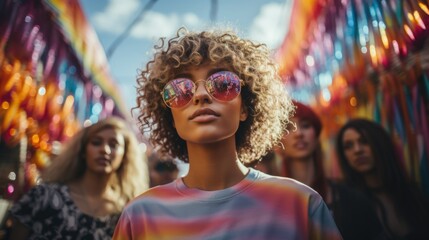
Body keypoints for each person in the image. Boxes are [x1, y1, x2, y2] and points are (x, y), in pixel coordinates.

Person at [113, 27, 342, 239]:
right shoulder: (140, 216)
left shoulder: (300, 204)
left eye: (223, 84)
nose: (200, 95)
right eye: (180, 89)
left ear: (244, 108)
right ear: (171, 117)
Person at [8, 117, 149, 239]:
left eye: (113, 145)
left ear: (125, 156)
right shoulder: (44, 196)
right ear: (83, 150)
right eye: (96, 142)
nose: (104, 150)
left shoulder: (125, 216)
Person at [277, 101, 383, 240]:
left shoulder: (352, 198)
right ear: (277, 143)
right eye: (288, 128)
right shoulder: (270, 203)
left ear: (316, 137)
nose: (299, 134)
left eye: (305, 126)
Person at [336, 118, 429, 239]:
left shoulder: (412, 193)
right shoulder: (347, 206)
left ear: (379, 143)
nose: (357, 150)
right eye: (348, 146)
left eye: (364, 141)